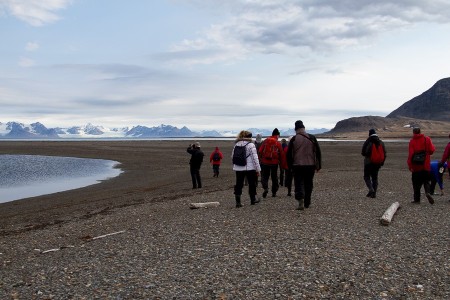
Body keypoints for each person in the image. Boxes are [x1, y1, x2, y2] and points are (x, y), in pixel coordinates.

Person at [287, 120, 322, 210]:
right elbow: (318, 152)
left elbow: (289, 154)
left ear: (296, 129)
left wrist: (290, 166)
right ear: (304, 128)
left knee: (298, 183)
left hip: (297, 165)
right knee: (308, 183)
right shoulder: (312, 137)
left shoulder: (294, 139)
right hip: (310, 165)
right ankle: (307, 201)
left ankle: (300, 200)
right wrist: (318, 165)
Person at [232, 130, 261, 207]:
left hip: (238, 168)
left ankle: (238, 202)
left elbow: (233, 157)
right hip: (249, 168)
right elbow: (255, 158)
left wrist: (236, 165)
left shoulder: (236, 144)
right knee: (252, 183)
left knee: (239, 184)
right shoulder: (251, 145)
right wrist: (258, 169)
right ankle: (253, 199)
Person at [407, 127, 435, 204]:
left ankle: (417, 199)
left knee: (416, 183)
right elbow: (432, 150)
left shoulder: (412, 141)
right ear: (420, 131)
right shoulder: (427, 139)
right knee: (426, 181)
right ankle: (427, 192)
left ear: (413, 132)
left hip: (416, 166)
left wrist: (410, 165)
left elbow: (411, 155)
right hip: (426, 165)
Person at [258, 128, 287, 198]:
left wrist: (259, 160)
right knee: (274, 178)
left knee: (265, 176)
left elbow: (260, 151)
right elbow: (282, 155)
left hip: (264, 162)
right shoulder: (277, 143)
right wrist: (283, 165)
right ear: (277, 135)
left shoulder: (265, 141)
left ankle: (265, 188)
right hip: (274, 163)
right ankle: (274, 192)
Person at [361, 129, 386, 198]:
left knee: (366, 177)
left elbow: (363, 152)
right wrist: (381, 163)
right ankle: (373, 193)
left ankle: (371, 189)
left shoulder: (368, 141)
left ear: (369, 134)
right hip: (377, 163)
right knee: (375, 178)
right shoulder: (380, 142)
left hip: (368, 163)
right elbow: (384, 153)